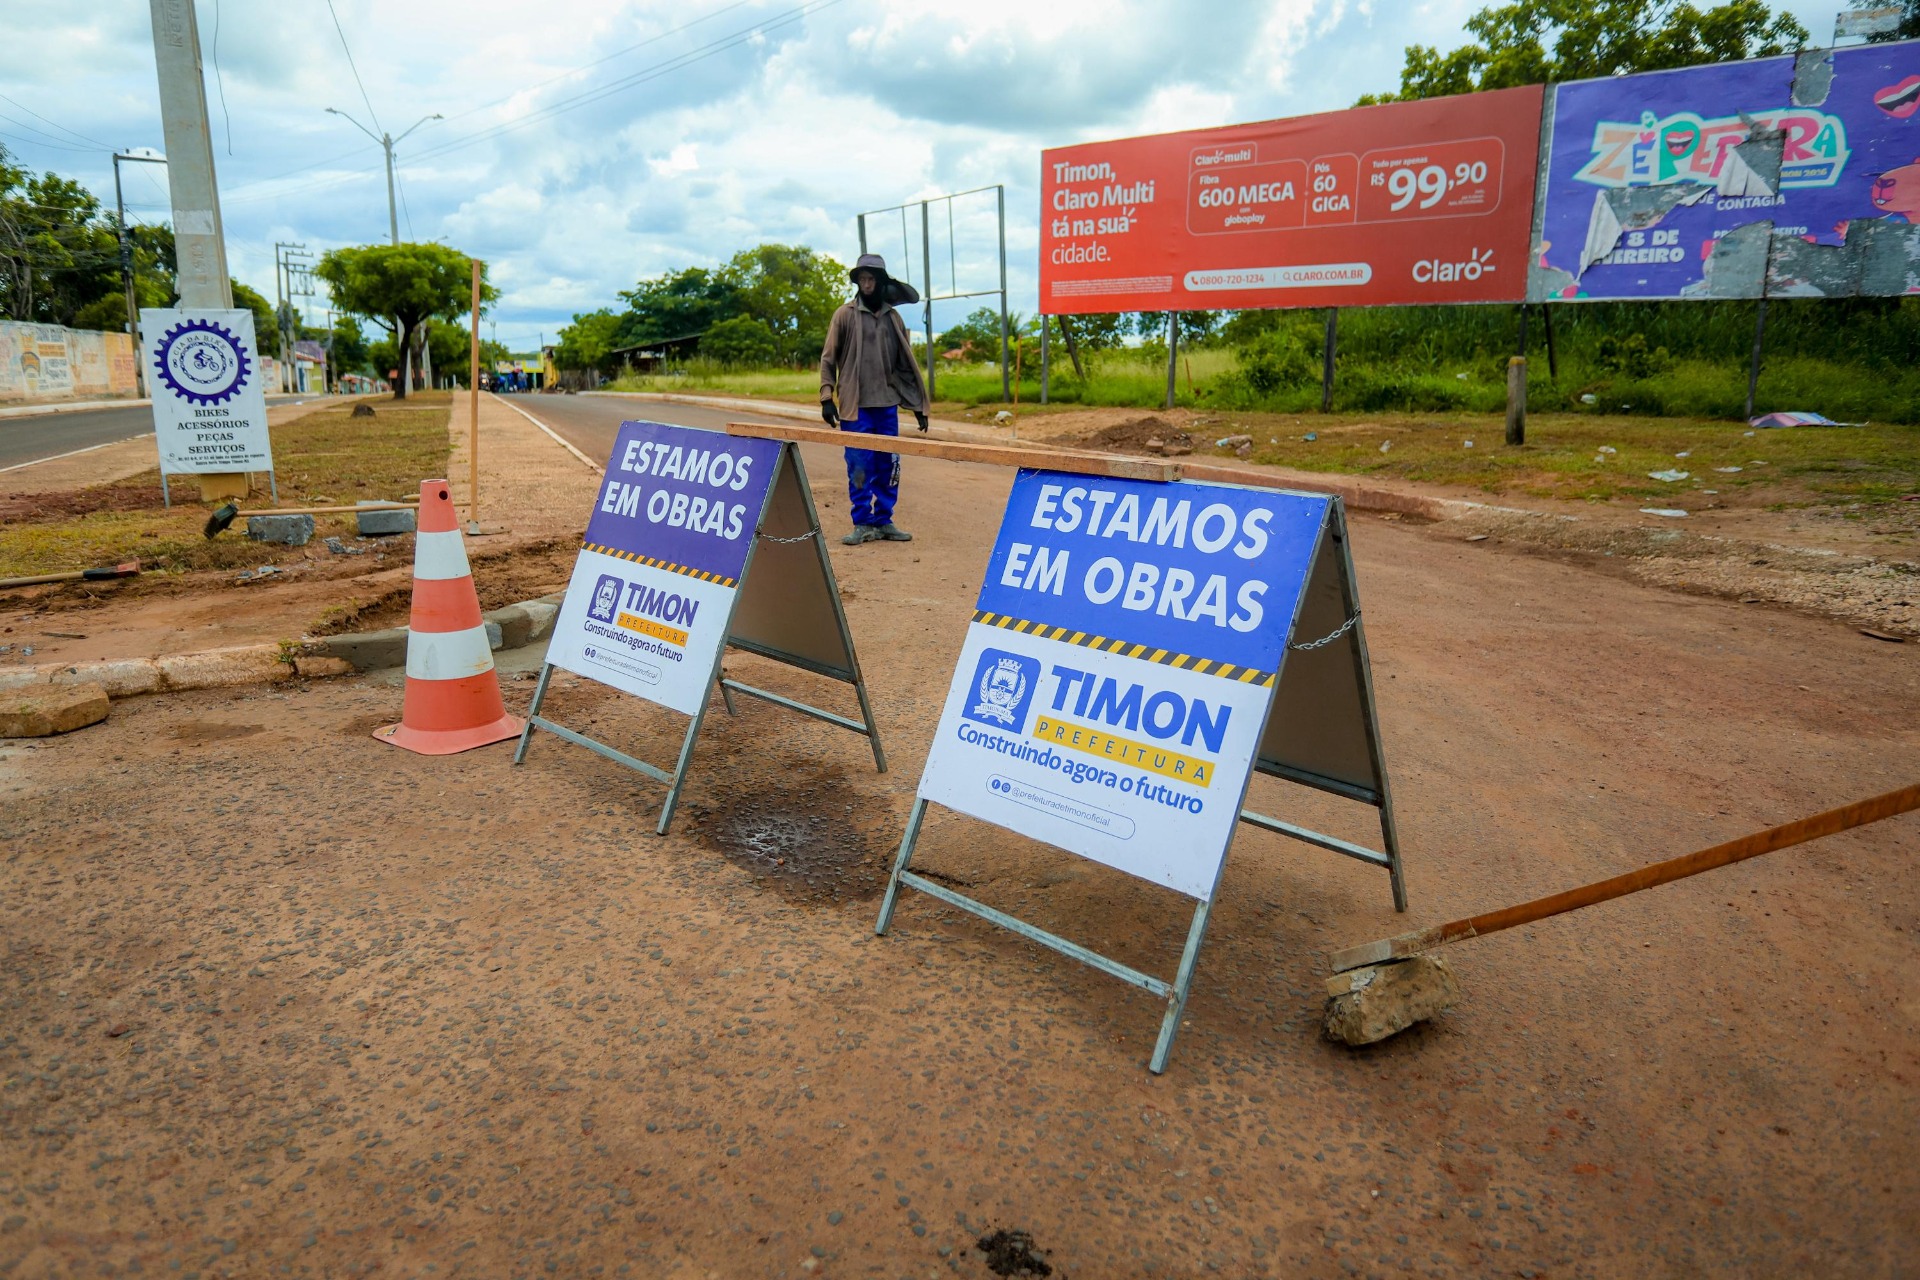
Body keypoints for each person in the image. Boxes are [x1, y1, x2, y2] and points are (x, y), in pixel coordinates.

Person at [819, 253, 930, 545]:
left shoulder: (893, 318)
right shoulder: (844, 314)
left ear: (881, 283)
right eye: (862, 279)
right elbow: (828, 358)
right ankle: (862, 522)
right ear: (858, 282)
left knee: (888, 464)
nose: (867, 284)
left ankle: (883, 520)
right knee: (858, 465)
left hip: (886, 406)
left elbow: (906, 364)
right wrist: (826, 397)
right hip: (856, 407)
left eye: (872, 279)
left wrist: (918, 407)